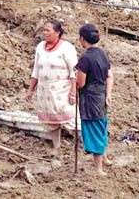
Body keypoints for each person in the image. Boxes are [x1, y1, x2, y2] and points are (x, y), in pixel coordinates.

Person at [27, 20, 78, 158]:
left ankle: (82, 144)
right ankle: (57, 146)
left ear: (57, 32)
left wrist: (73, 91)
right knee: (51, 120)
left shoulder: (67, 48)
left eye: (48, 30)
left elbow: (74, 71)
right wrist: (31, 89)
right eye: (43, 30)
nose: (45, 33)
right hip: (45, 90)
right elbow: (36, 70)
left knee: (69, 117)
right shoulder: (40, 47)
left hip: (62, 89)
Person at [75, 24, 112, 176]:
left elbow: (81, 83)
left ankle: (99, 168)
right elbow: (109, 75)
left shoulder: (85, 58)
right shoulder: (102, 54)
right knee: (102, 125)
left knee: (94, 128)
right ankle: (105, 157)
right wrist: (108, 94)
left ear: (82, 39)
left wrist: (74, 84)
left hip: (90, 98)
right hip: (101, 95)